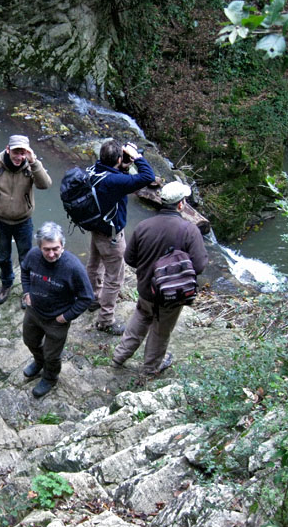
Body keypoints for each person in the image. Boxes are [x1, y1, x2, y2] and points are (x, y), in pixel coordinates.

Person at [112, 181, 208, 374]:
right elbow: (199, 265)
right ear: (181, 204)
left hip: (146, 289)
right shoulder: (189, 230)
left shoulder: (143, 226)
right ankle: (150, 367)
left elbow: (130, 258)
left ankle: (119, 356)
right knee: (161, 329)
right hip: (172, 294)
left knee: (140, 317)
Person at [87, 139, 155, 335]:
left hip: (97, 226)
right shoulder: (114, 181)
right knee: (115, 277)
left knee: (94, 263)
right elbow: (147, 176)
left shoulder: (95, 170)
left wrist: (123, 167)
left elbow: (114, 182)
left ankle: (92, 298)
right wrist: (137, 157)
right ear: (118, 158)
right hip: (111, 234)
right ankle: (106, 319)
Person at [20, 222, 93, 398]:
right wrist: (27, 292)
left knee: (52, 355)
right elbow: (24, 270)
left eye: (55, 248)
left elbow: (87, 297)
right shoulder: (33, 255)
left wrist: (66, 317)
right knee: (29, 341)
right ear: (40, 247)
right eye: (46, 249)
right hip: (34, 311)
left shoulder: (73, 267)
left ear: (62, 246)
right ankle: (39, 362)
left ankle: (50, 378)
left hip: (56, 320)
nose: (51, 254)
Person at [0, 134, 52, 305]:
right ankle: (6, 283)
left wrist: (34, 162)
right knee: (4, 257)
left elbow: (45, 185)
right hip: (0, 221)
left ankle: (28, 290)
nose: (19, 157)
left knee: (26, 257)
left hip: (23, 221)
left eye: (23, 153)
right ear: (8, 149)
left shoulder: (31, 166)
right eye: (16, 152)